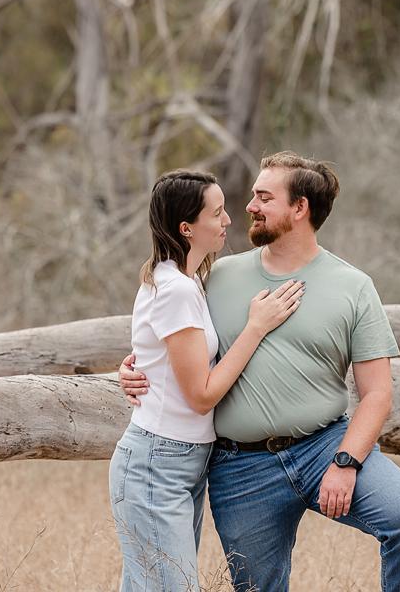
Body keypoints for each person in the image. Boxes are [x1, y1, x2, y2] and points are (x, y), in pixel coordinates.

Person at [120, 152, 400, 592]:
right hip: (241, 466)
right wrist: (133, 367)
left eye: (264, 198)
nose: (249, 206)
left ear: (300, 208)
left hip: (326, 447)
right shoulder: (217, 276)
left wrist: (346, 462)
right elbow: (172, 336)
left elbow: (378, 393)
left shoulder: (354, 287)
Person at [109, 169, 305, 592]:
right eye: (216, 213)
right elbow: (200, 396)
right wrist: (257, 327)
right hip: (158, 462)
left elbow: (162, 358)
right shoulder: (176, 288)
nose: (227, 220)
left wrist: (132, 369)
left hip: (182, 460)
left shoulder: (189, 281)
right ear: (187, 228)